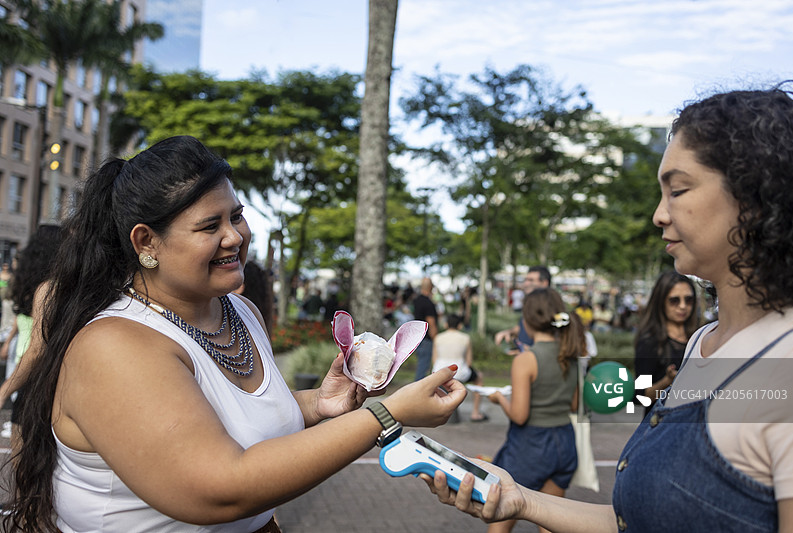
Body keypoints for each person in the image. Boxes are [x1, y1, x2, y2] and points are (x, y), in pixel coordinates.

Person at [1, 136, 467, 532]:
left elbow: (234, 417)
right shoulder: (116, 345)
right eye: (210, 225)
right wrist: (386, 415)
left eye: (236, 216)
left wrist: (319, 403)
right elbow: (219, 489)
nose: (235, 237)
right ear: (146, 243)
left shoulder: (238, 311)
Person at [421, 85, 793, 531]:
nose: (659, 215)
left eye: (677, 190)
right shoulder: (703, 342)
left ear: (754, 200)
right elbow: (635, 521)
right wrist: (519, 499)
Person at [486, 287, 584, 533]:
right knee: (550, 519)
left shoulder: (525, 360)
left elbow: (520, 416)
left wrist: (499, 399)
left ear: (527, 322)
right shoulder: (570, 355)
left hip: (530, 446)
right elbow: (574, 405)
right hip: (564, 442)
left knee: (502, 518)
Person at [0, 224, 63, 452]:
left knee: (26, 468)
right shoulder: (61, 286)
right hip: (45, 372)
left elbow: (37, 349)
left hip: (36, 374)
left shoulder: (48, 289)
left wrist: (3, 392)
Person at [634, 270, 699, 415]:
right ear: (661, 302)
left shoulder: (701, 335)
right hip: (662, 425)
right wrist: (667, 381)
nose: (682, 306)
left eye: (688, 300)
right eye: (674, 300)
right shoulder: (650, 342)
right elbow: (640, 397)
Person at [432, 314, 487, 422]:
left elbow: (434, 359)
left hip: (439, 371)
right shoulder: (465, 338)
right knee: (479, 377)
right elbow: (469, 361)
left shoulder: (438, 337)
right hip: (459, 371)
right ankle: (475, 413)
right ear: (460, 326)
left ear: (446, 324)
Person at [494, 266, 550, 351]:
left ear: (544, 283)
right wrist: (510, 332)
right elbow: (522, 326)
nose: (526, 284)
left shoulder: (551, 305)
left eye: (531, 280)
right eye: (526, 280)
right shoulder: (530, 303)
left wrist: (531, 351)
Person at [413, 277, 439, 381]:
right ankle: (418, 393)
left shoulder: (417, 301)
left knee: (422, 365)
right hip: (427, 339)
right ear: (431, 287)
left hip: (418, 337)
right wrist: (436, 339)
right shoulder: (428, 303)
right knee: (423, 368)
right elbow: (431, 322)